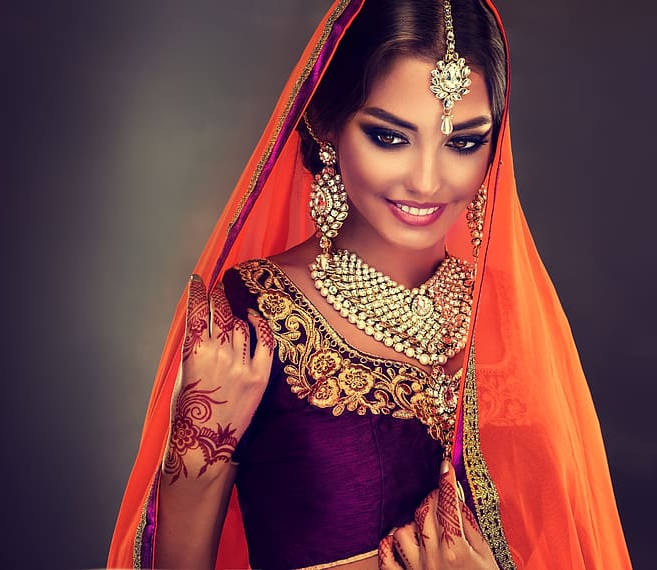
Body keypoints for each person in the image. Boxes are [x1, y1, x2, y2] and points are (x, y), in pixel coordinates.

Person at [108, 0, 631, 568]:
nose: (427, 181)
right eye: (389, 137)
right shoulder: (256, 319)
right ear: (327, 124)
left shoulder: (517, 323)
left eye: (462, 142)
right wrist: (195, 461)